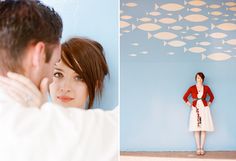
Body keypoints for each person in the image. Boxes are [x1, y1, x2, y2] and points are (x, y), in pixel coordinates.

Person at [0, 1, 118, 161]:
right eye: (57, 73)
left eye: (79, 77)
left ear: (96, 84)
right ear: (39, 54)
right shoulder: (49, 129)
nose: (65, 88)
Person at [183, 72, 214, 155]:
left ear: (202, 79)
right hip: (195, 109)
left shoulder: (206, 88)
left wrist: (209, 103)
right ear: (195, 79)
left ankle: (202, 148)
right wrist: (190, 105)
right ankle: (198, 148)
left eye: (200, 78)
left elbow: (212, 97)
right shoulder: (192, 88)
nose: (199, 79)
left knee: (203, 128)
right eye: (197, 77)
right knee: (196, 128)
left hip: (204, 109)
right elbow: (184, 97)